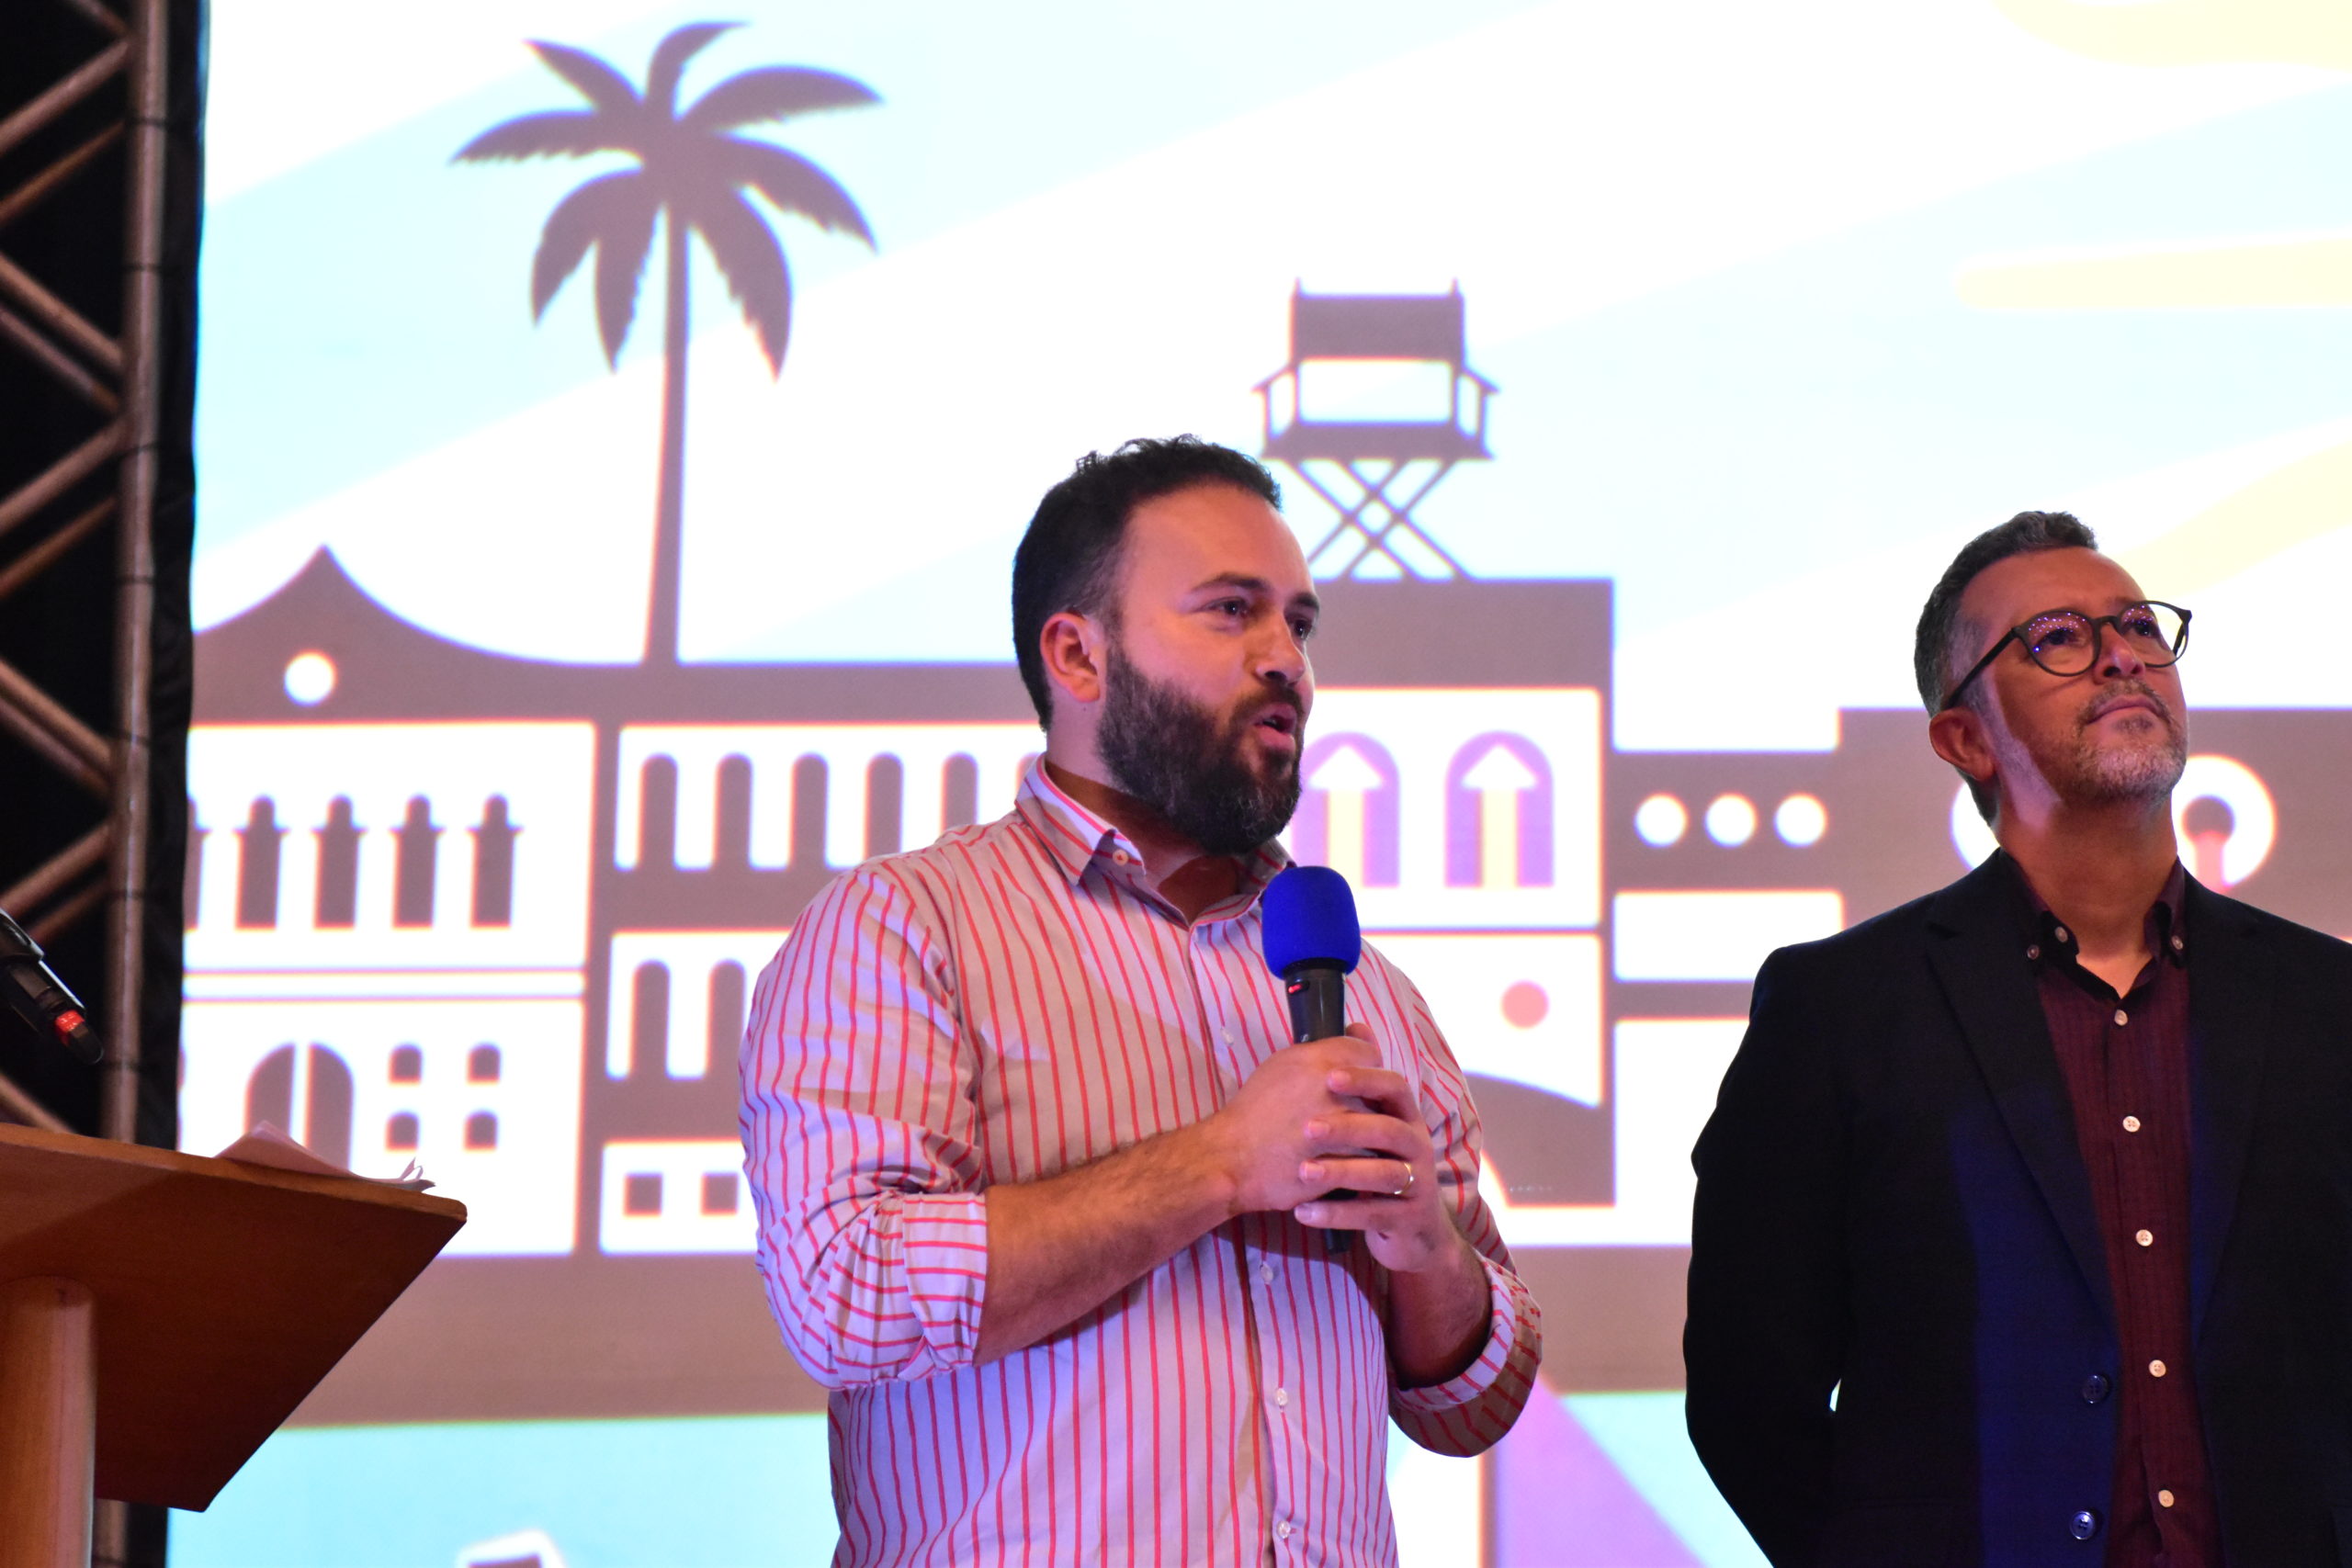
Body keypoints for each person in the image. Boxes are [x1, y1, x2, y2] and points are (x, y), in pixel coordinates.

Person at [741, 436, 1541, 1567]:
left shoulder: (1368, 987)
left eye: (1298, 625)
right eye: (1231, 612)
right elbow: (845, 1296)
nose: (1286, 662)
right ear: (1077, 654)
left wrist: (1428, 1253)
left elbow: (1474, 1403)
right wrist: (1222, 1162)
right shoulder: (906, 928)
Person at [1685, 510, 2352, 1567]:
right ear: (1965, 737)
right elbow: (1747, 1396)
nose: (2121, 657)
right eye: (2058, 638)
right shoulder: (1839, 1010)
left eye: (2138, 625)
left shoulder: (2326, 1001)